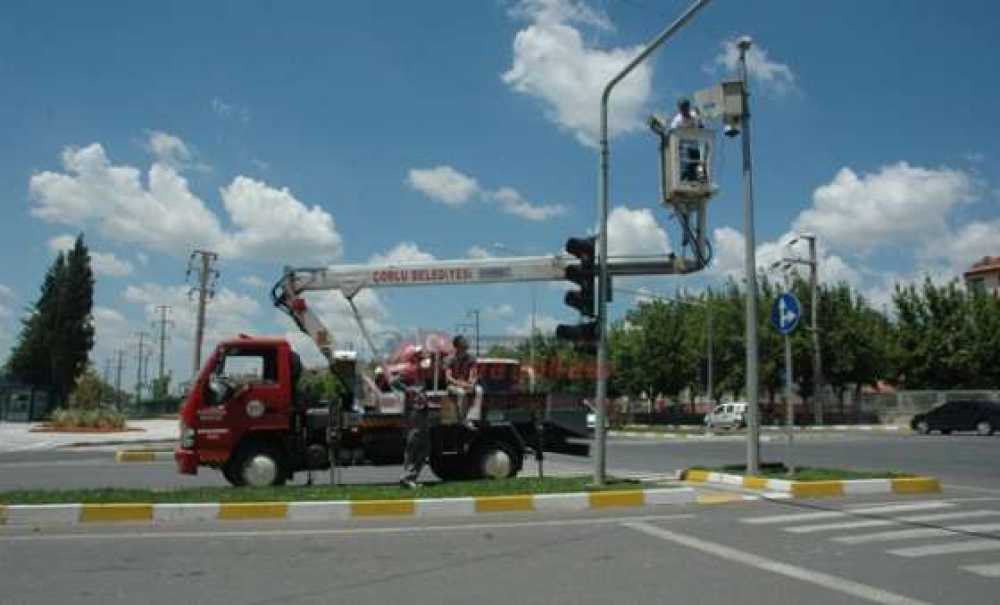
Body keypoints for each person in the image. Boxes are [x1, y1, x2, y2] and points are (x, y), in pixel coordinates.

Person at [446, 335, 482, 428]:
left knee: (479, 390)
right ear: (457, 346)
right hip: (454, 385)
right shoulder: (450, 359)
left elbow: (473, 373)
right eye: (463, 343)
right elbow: (448, 377)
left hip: (466, 384)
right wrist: (460, 384)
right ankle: (463, 419)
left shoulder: (471, 358)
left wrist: (472, 383)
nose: (466, 344)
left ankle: (473, 417)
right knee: (461, 393)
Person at [398, 382, 430, 489]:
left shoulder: (416, 404)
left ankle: (410, 478)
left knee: (420, 453)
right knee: (413, 454)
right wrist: (412, 390)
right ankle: (407, 477)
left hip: (419, 430)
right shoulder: (413, 406)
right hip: (417, 432)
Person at [670, 98, 707, 183]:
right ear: (680, 109)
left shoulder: (694, 116)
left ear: (688, 107)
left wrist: (700, 118)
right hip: (684, 146)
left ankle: (700, 178)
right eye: (682, 109)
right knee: (686, 164)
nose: (684, 111)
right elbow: (672, 133)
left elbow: (701, 126)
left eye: (686, 108)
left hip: (694, 145)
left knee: (697, 162)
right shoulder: (677, 121)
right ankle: (685, 178)